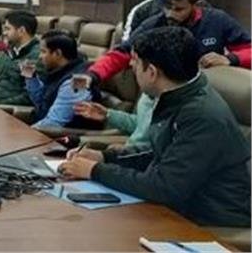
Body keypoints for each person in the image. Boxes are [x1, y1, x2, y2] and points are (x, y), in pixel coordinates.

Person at [59, 27, 250, 227]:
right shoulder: (179, 97)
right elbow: (161, 153)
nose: (130, 65)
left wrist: (95, 170)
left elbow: (164, 187)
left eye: (135, 61)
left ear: (151, 72)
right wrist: (105, 157)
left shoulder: (201, 116)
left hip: (209, 222)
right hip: (180, 208)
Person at [82, 0, 251, 90]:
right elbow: (122, 54)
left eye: (178, 9)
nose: (170, 14)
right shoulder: (154, 24)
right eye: (167, 7)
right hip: (167, 93)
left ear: (195, 4)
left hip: (206, 90)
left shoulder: (217, 19)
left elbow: (248, 50)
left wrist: (231, 59)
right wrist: (93, 75)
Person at [25, 30, 100, 130]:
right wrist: (30, 78)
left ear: (57, 53)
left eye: (43, 52)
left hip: (62, 136)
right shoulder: (58, 71)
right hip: (43, 129)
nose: (40, 56)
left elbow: (53, 123)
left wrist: (24, 132)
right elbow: (42, 102)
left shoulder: (76, 81)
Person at [0, 10, 41, 105]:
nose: (4, 33)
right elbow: (9, 81)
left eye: (7, 29)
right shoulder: (15, 51)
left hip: (17, 108)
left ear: (21, 30)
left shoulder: (33, 56)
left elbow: (28, 94)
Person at [73, 94, 154, 149]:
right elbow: (139, 123)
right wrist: (108, 114)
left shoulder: (160, 105)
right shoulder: (148, 95)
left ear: (152, 74)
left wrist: (117, 153)